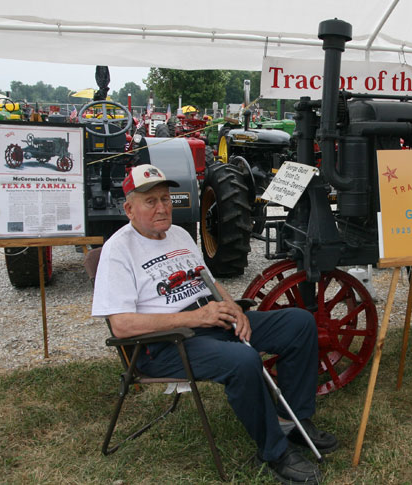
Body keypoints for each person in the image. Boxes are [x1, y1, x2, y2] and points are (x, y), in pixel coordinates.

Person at [91, 164, 337, 485]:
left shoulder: (179, 234)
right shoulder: (118, 251)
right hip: (165, 343)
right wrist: (197, 317)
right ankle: (274, 451)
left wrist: (232, 308)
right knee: (243, 360)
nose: (162, 207)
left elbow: (206, 279)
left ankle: (294, 421)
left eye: (166, 198)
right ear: (129, 208)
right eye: (150, 201)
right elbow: (122, 326)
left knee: (299, 323)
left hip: (211, 322)